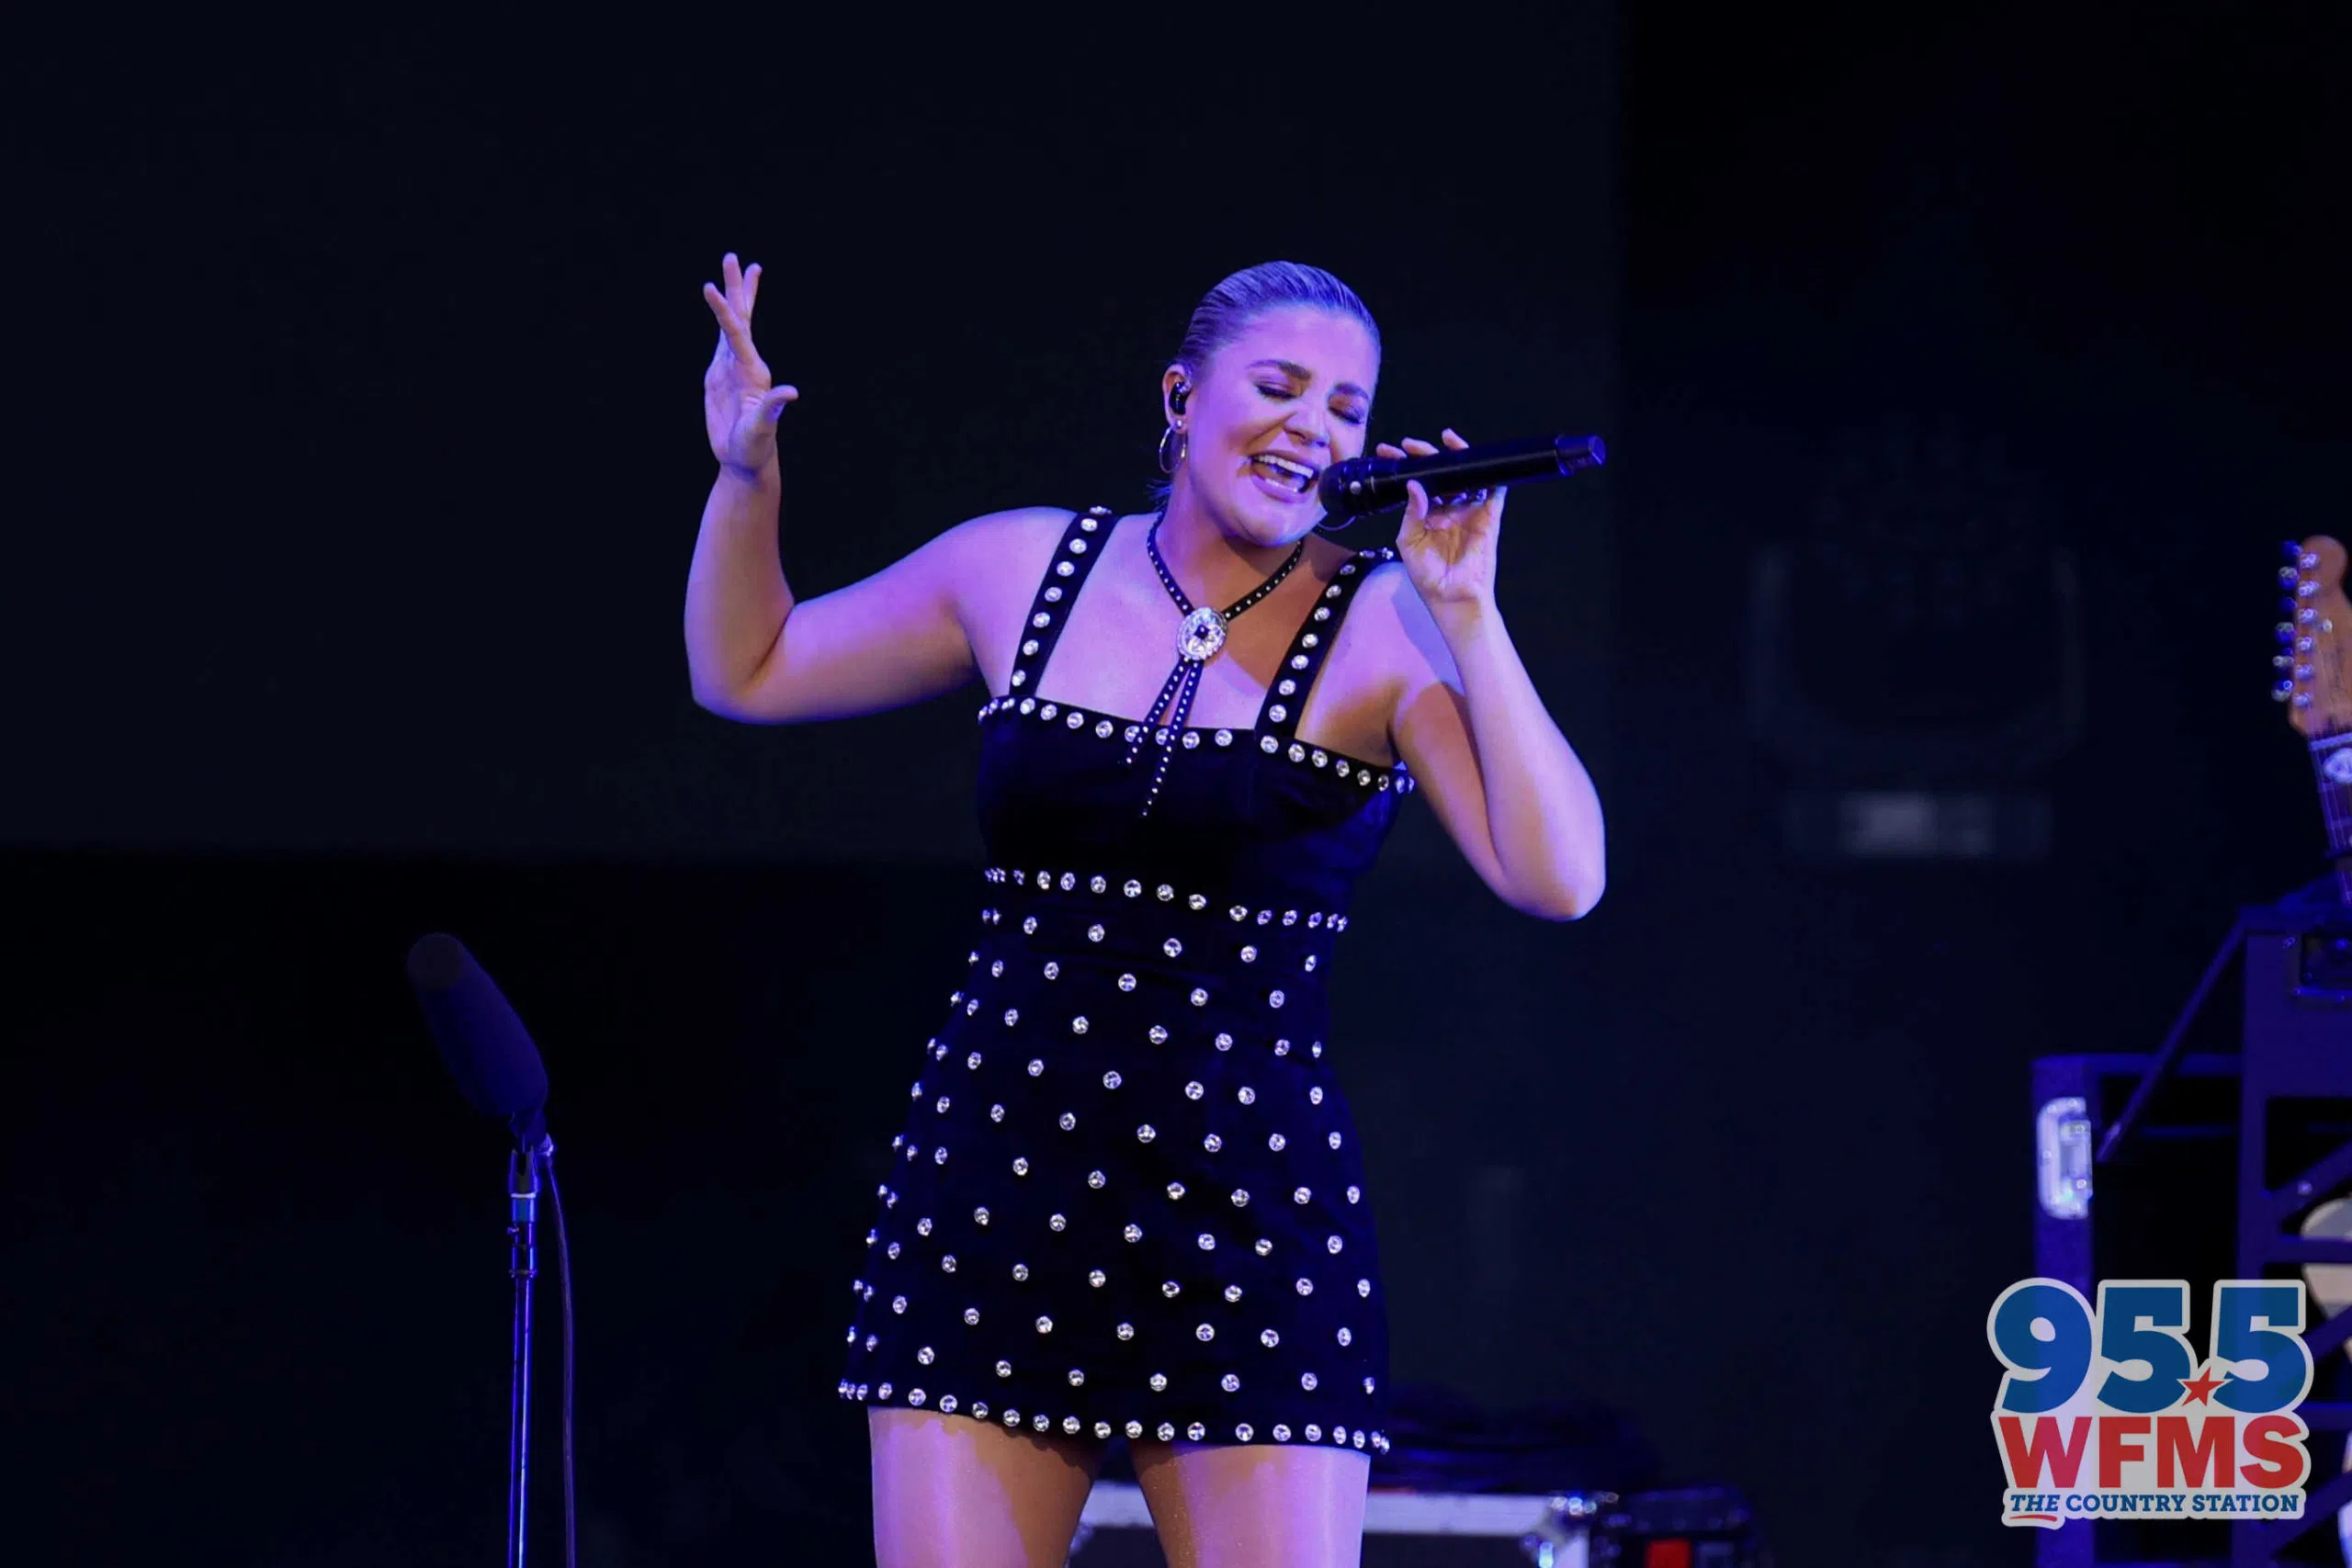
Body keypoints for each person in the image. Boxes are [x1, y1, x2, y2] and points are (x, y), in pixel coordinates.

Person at [685, 252, 1605, 1568]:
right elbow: (750, 667)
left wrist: (1469, 612)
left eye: (1346, 409)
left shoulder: (1386, 625)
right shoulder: (1022, 565)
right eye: (1278, 387)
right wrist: (745, 475)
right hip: (995, 1186)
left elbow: (1559, 877)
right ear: (1182, 397)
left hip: (1251, 1211)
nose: (1313, 427)